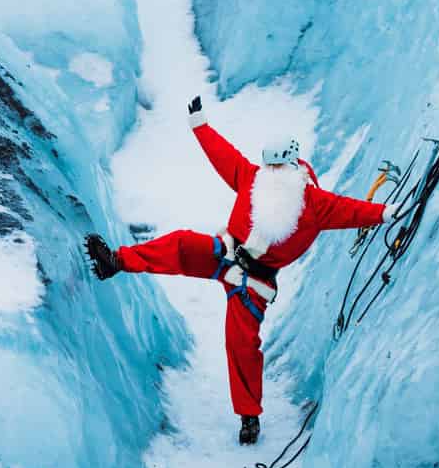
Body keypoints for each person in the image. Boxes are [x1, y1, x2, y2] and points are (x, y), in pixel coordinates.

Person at [85, 96, 399, 445]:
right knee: (180, 244)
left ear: (294, 166)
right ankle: (116, 261)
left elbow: (352, 211)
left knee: (241, 343)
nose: (273, 174)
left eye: (279, 168)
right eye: (270, 168)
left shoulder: (315, 204)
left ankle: (249, 417)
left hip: (253, 284)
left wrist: (386, 213)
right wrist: (200, 125)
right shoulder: (253, 179)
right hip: (225, 253)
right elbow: (224, 156)